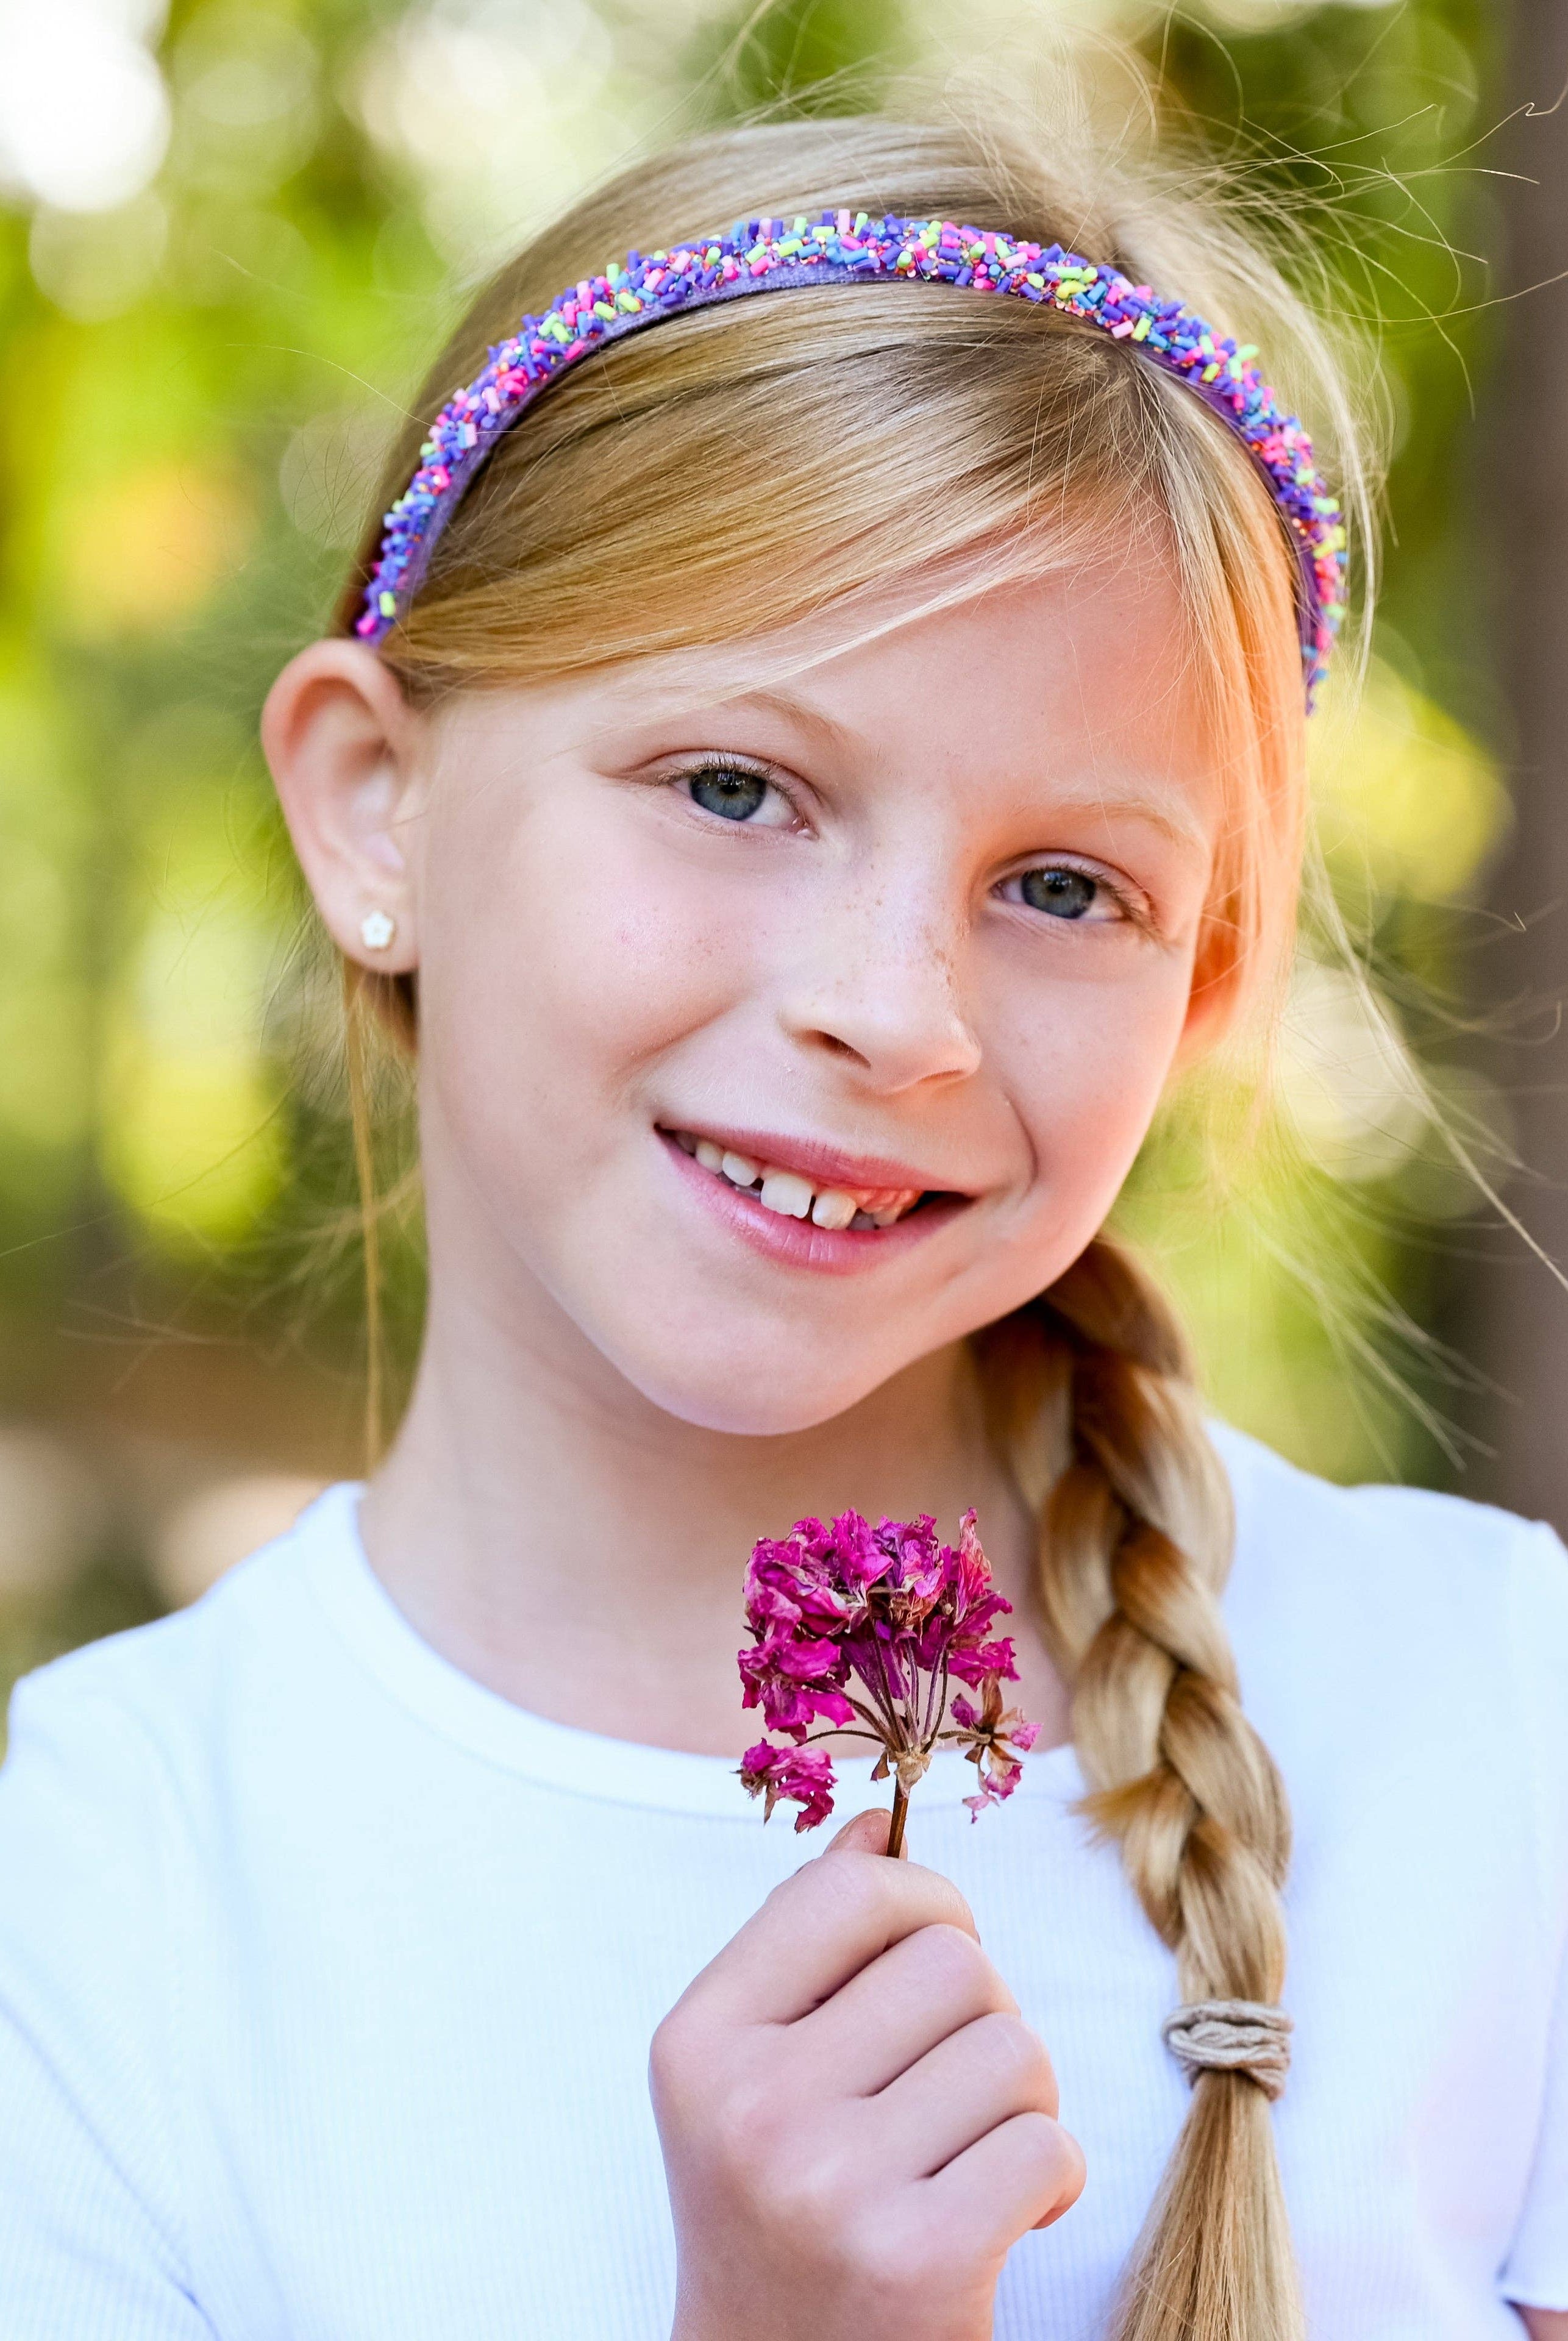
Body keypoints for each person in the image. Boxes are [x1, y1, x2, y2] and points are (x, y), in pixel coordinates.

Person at [1, 95, 1564, 2341]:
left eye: (1063, 888)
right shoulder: (114, 1889)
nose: (890, 1014)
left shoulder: (1489, 1726)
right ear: (374, 807)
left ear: (1201, 990)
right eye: (736, 788)